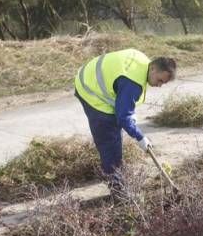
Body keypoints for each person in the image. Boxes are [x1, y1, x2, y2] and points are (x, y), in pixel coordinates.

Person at [74, 48, 176, 192]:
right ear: (153, 68)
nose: (159, 86)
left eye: (163, 83)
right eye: (160, 80)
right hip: (91, 90)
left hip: (89, 75)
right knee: (110, 140)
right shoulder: (132, 82)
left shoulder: (143, 62)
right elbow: (123, 117)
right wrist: (140, 137)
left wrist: (129, 114)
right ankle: (118, 190)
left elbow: (124, 106)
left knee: (115, 135)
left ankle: (117, 175)